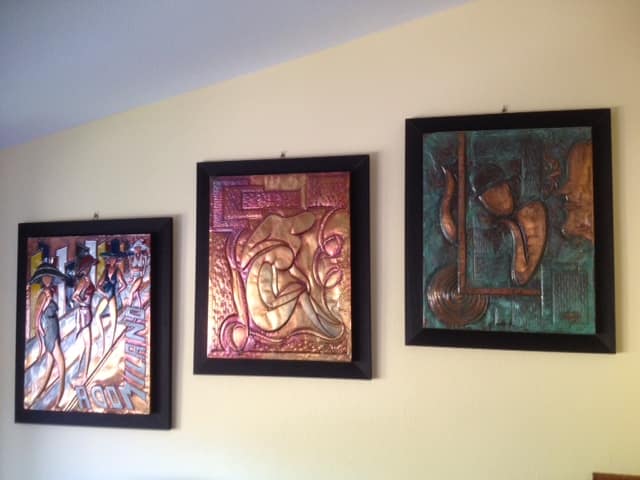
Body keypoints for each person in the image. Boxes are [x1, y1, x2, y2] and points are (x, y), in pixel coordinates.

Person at [471, 164, 548, 286]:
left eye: (499, 201)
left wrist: (513, 228)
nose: (496, 207)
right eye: (489, 206)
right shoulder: (500, 224)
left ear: (506, 188)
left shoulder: (531, 212)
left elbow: (522, 276)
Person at [28, 261, 69, 409]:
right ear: (42, 279)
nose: (48, 280)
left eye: (50, 277)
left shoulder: (49, 292)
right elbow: (38, 315)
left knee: (50, 365)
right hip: (49, 330)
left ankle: (38, 395)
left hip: (54, 328)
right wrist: (41, 331)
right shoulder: (44, 294)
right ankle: (58, 401)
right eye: (45, 278)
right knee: (61, 365)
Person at [94, 239, 129, 354]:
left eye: (114, 258)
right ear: (108, 259)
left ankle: (110, 345)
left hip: (113, 296)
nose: (112, 260)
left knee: (114, 321)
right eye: (111, 258)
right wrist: (103, 293)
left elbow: (124, 284)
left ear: (117, 259)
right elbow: (98, 285)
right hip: (106, 295)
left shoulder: (117, 271)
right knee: (97, 316)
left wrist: (118, 291)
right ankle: (103, 339)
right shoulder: (105, 270)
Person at [72, 253, 98, 385]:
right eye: (89, 266)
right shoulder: (83, 280)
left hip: (87, 312)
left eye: (91, 266)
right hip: (83, 313)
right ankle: (84, 375)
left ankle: (80, 372)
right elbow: (74, 296)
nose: (90, 268)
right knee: (88, 344)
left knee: (86, 344)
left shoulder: (87, 279)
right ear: (85, 267)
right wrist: (83, 303)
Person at [127, 239, 149, 308]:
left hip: (140, 277)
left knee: (132, 292)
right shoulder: (132, 257)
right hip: (133, 278)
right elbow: (131, 269)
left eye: (138, 248)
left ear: (140, 249)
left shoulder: (144, 257)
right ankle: (140, 306)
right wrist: (135, 270)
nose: (137, 249)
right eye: (136, 248)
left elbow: (143, 268)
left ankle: (129, 306)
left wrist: (135, 269)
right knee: (136, 292)